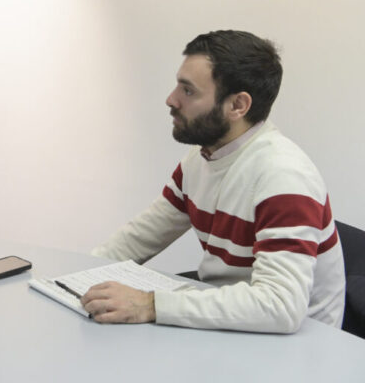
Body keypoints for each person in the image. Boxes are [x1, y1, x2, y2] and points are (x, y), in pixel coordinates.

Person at [84, 30, 345, 333]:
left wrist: (150, 305)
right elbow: (137, 240)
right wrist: (71, 278)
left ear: (238, 105)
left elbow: (279, 306)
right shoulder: (202, 159)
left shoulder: (284, 176)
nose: (171, 99)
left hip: (297, 348)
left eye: (189, 91)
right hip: (231, 321)